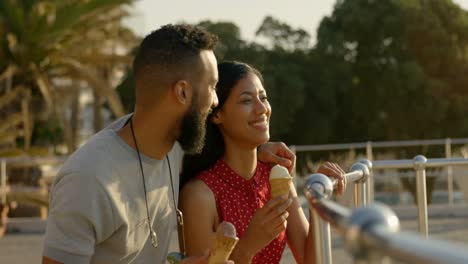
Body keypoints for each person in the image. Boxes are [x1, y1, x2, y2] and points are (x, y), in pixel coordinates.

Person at [42, 25, 296, 264]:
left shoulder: (172, 146)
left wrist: (260, 150)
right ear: (182, 92)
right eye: (212, 87)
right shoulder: (88, 180)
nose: (216, 100)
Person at [179, 61, 346, 264]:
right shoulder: (199, 195)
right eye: (246, 101)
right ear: (217, 114)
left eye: (263, 98)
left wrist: (317, 197)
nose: (262, 109)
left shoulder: (275, 175)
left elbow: (310, 260)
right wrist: (249, 245)